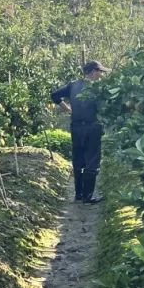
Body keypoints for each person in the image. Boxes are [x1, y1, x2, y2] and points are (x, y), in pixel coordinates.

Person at [51, 61, 105, 204]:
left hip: (76, 127)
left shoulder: (73, 85)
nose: (101, 75)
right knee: (92, 161)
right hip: (92, 127)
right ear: (93, 71)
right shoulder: (97, 88)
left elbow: (55, 95)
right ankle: (88, 196)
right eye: (100, 72)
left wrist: (68, 109)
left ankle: (79, 194)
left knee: (78, 159)